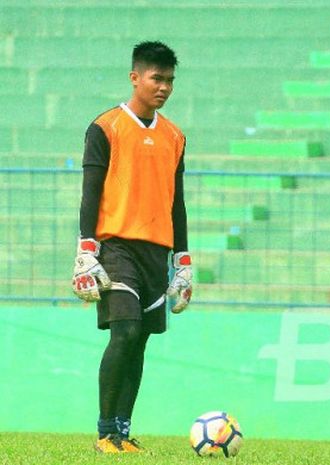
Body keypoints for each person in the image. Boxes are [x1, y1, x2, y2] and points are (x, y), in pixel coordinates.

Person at [72, 40, 193, 454]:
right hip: (116, 247)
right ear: (135, 77)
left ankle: (123, 432)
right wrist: (86, 250)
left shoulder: (175, 136)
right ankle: (106, 431)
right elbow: (90, 194)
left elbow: (177, 203)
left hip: (155, 253)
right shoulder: (105, 127)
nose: (163, 87)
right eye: (156, 78)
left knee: (139, 340)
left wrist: (183, 260)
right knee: (123, 333)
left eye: (170, 80)